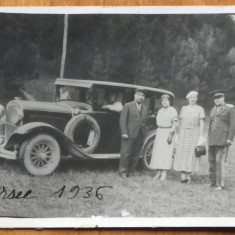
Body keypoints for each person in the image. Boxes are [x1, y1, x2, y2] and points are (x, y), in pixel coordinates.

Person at [173, 91, 205, 184]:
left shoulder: (200, 109)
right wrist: (177, 134)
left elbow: (202, 124)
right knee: (183, 153)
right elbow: (180, 122)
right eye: (191, 97)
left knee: (191, 154)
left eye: (194, 97)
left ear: (197, 99)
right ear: (188, 99)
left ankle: (188, 175)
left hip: (194, 133)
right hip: (183, 133)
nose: (193, 99)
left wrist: (201, 137)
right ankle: (183, 175)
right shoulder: (184, 108)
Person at [208, 90, 235, 191]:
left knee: (220, 161)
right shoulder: (212, 110)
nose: (217, 100)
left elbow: (233, 124)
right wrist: (208, 138)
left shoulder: (230, 108)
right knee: (211, 161)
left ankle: (220, 184)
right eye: (215, 98)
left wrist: (230, 139)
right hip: (213, 139)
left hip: (223, 139)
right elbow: (210, 126)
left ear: (223, 98)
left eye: (219, 98)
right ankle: (212, 181)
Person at [119, 88, 148, 178]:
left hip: (140, 134)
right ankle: (123, 172)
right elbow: (122, 120)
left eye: (142, 95)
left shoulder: (145, 108)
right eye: (139, 95)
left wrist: (145, 132)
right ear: (135, 96)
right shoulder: (128, 105)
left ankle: (131, 171)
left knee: (136, 154)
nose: (140, 97)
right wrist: (124, 132)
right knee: (126, 153)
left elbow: (144, 121)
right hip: (129, 134)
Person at [149, 94, 178, 181]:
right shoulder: (160, 110)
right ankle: (158, 172)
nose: (164, 102)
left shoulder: (172, 110)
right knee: (158, 153)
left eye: (166, 100)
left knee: (166, 153)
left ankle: (164, 173)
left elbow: (175, 124)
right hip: (160, 132)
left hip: (168, 132)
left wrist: (171, 135)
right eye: (162, 101)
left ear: (169, 101)